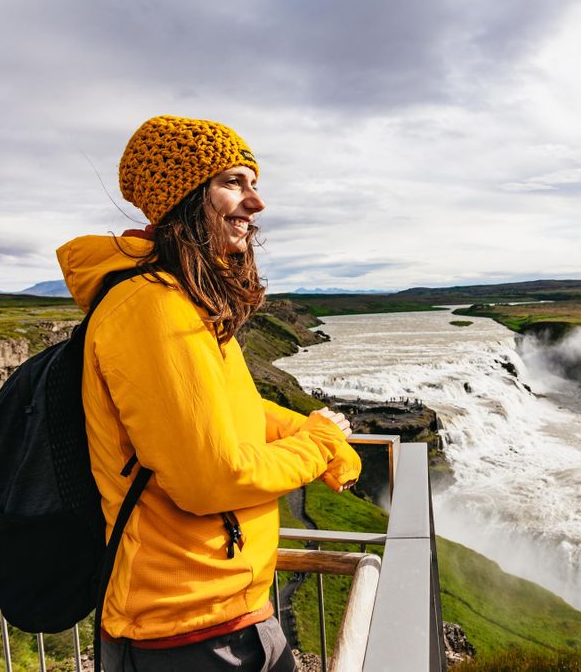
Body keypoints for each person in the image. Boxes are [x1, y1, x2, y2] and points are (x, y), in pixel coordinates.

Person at [57, 115, 361, 671]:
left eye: (253, 183)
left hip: (226, 609)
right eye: (233, 182)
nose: (256, 202)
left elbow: (231, 408)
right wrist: (318, 443)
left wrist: (310, 431)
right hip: (185, 627)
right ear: (184, 197)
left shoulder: (179, 298)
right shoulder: (153, 307)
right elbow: (210, 478)